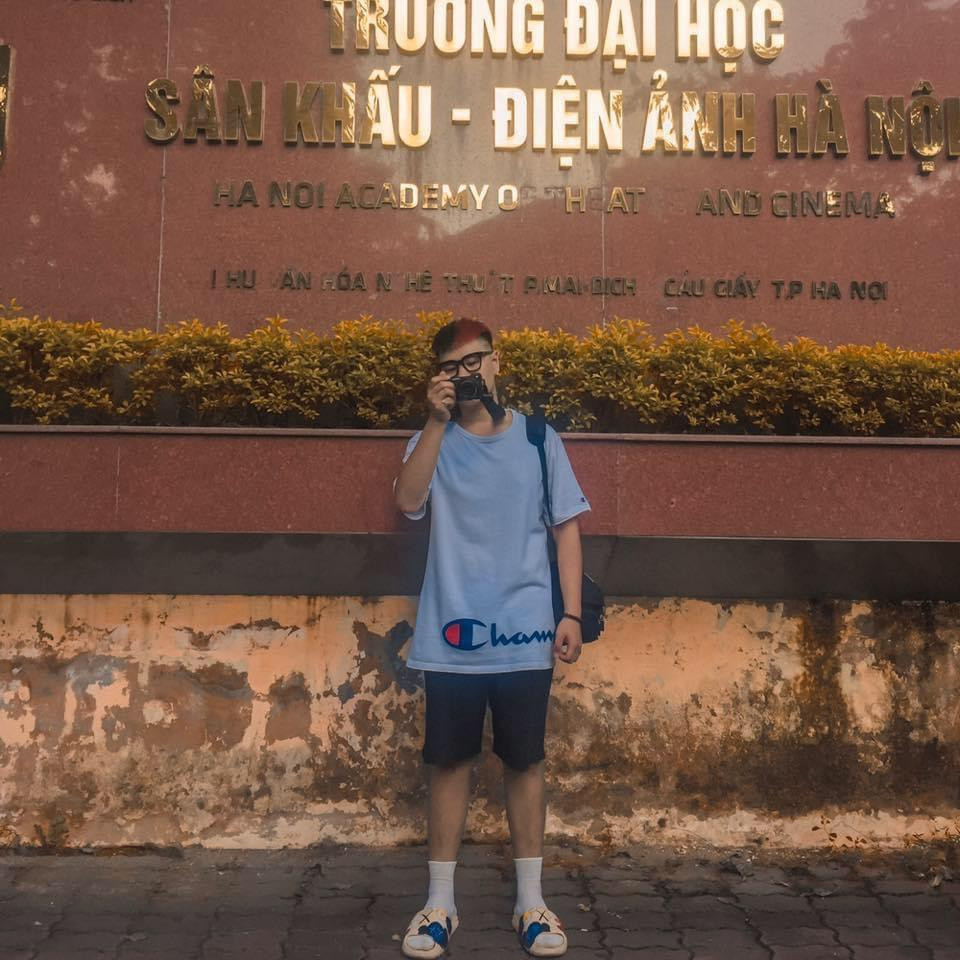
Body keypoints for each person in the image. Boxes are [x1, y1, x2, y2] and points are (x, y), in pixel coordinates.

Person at [392, 317, 591, 958]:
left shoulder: (537, 437)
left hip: (526, 631)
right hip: (451, 632)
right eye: (452, 367)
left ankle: (531, 902)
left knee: (525, 762)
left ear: (496, 362)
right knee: (449, 762)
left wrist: (571, 614)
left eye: (474, 361)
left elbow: (566, 527)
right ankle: (439, 905)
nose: (466, 374)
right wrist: (434, 422)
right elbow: (408, 502)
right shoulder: (432, 439)